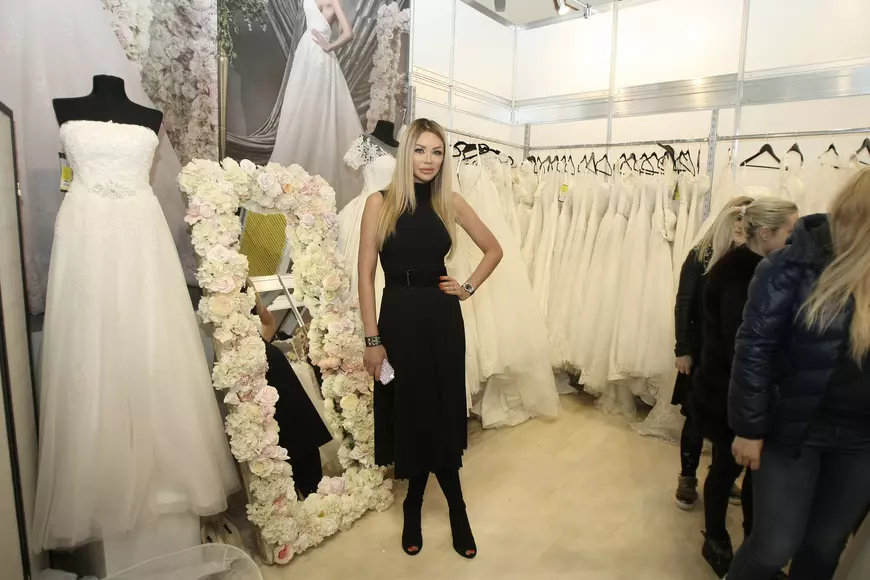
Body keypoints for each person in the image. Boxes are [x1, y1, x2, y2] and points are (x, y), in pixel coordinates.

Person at [357, 118, 503, 558]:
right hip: (398, 321)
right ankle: (417, 504)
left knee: (440, 412)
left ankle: (452, 508)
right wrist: (372, 339)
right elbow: (365, 275)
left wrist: (467, 287)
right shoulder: (379, 203)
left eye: (437, 152)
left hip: (442, 320)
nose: (428, 160)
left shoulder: (449, 201)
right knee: (412, 411)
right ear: (407, 154)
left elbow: (494, 249)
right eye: (420, 150)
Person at [728, 168, 870, 580]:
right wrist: (748, 428)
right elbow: (754, 347)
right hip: (794, 429)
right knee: (773, 547)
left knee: (825, 547)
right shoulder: (790, 265)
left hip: (862, 438)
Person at [691, 197, 799, 578]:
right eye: (790, 231)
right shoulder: (740, 275)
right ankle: (716, 538)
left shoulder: (764, 269)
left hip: (747, 391)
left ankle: (754, 547)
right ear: (766, 233)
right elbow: (741, 343)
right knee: (726, 469)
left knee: (752, 473)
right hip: (731, 391)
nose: (795, 238)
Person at [673, 196, 753, 510]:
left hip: (734, 355)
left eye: (746, 224)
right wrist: (683, 349)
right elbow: (683, 303)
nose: (740, 229)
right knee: (695, 416)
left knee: (727, 419)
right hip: (701, 350)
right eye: (736, 222)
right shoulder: (699, 257)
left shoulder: (750, 263)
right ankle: (687, 476)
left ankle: (721, 475)